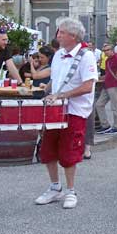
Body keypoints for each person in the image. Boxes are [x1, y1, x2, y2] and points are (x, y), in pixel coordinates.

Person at [35, 18, 97, 209]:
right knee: (48, 149)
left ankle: (70, 191)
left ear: (72, 35)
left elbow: (88, 86)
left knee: (69, 152)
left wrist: (63, 95)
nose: (57, 35)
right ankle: (55, 188)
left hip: (75, 111)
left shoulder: (86, 56)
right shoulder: (59, 54)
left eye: (61, 32)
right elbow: (56, 80)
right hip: (56, 110)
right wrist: (48, 93)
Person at [95, 44, 117, 134]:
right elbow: (108, 73)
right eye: (104, 51)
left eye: (107, 50)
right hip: (106, 84)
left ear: (112, 50)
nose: (106, 52)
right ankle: (105, 125)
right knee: (99, 104)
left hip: (113, 85)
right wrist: (101, 78)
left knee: (115, 106)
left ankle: (116, 127)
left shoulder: (116, 57)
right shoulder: (107, 60)